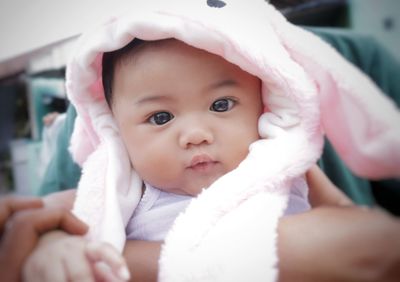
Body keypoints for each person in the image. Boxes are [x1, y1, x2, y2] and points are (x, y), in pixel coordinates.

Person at [26, 0, 400, 281]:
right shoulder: (117, 184)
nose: (195, 135)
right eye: (160, 117)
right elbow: (48, 220)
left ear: (267, 101)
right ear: (117, 129)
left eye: (221, 105)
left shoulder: (285, 171)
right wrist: (57, 245)